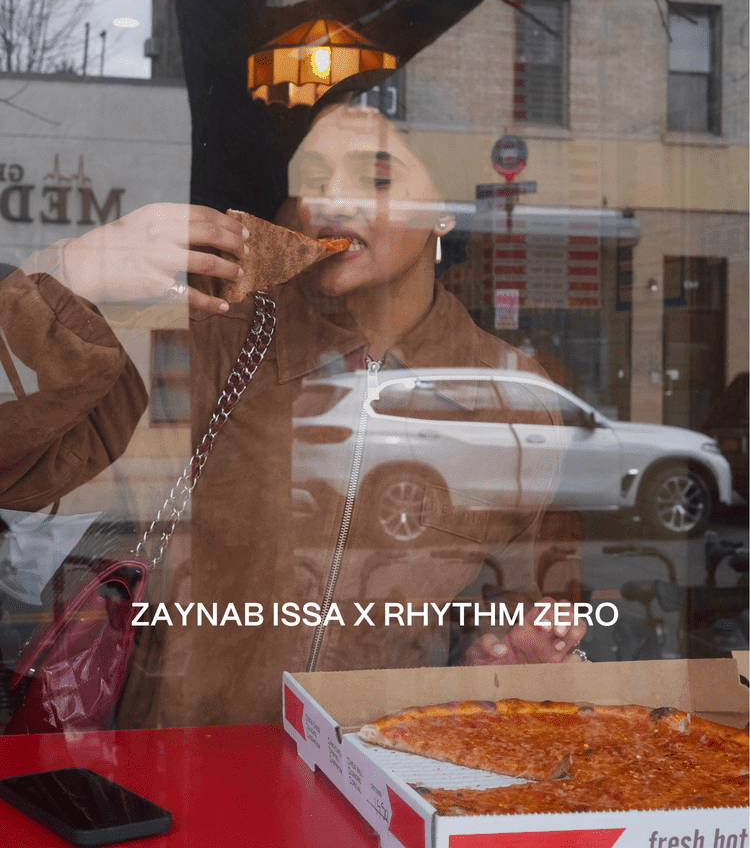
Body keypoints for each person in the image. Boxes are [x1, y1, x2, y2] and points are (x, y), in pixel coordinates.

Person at [0, 99, 584, 728]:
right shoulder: (205, 334)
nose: (331, 201)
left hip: (384, 769)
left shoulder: (513, 400)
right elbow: (18, 470)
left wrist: (494, 655)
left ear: (444, 209)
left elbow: (513, 600)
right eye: (313, 178)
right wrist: (73, 271)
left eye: (376, 177)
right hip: (182, 764)